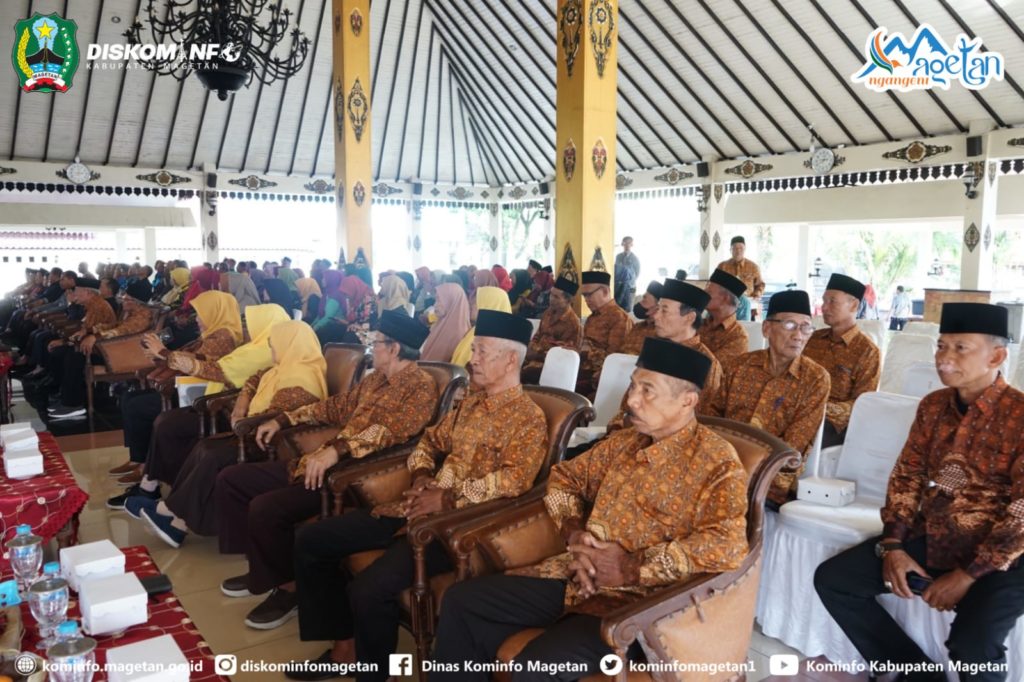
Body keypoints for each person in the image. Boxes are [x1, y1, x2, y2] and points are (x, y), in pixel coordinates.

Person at [431, 337, 748, 680]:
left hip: (639, 602)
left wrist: (629, 567)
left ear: (688, 400)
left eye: (647, 391)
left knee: (534, 666)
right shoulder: (624, 443)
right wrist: (574, 533)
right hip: (573, 574)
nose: (632, 400)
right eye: (633, 386)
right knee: (461, 601)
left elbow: (727, 544)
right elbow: (564, 478)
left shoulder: (716, 462)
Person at [284, 310, 547, 682]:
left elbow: (514, 482)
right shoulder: (470, 403)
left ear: (510, 361)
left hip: (454, 528)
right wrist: (423, 475)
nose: (472, 359)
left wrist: (449, 500)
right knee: (312, 539)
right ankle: (345, 647)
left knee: (368, 590)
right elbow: (429, 442)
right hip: (411, 507)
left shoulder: (528, 418)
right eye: (473, 350)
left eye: (481, 352)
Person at [815, 303, 1023, 682]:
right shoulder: (933, 406)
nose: (944, 357)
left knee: (973, 645)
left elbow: (1021, 513)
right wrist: (894, 546)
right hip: (939, 536)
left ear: (996, 357)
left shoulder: (1019, 415)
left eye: (960, 348)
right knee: (835, 581)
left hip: (1005, 558)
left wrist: (968, 576)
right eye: (941, 346)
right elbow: (907, 475)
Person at [214, 311, 437, 630]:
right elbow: (334, 407)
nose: (373, 348)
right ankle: (265, 571)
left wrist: (338, 449)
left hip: (355, 476)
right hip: (322, 462)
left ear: (395, 348)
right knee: (233, 480)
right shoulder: (376, 379)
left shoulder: (421, 386)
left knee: (266, 508)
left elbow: (390, 432)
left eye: (376, 343)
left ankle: (288, 589)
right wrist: (285, 418)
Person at [126, 321, 328, 548]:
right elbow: (254, 379)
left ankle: (173, 516)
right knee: (204, 447)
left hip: (271, 442)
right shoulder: (282, 368)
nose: (272, 349)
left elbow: (277, 418)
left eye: (275, 344)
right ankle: (174, 517)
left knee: (214, 455)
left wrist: (245, 421)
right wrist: (242, 403)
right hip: (251, 430)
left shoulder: (301, 379)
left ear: (289, 344)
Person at [107, 304, 288, 498]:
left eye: (251, 323)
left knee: (166, 423)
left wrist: (165, 353)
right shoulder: (255, 346)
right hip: (216, 401)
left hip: (225, 410)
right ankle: (152, 482)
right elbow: (223, 368)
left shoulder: (260, 351)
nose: (247, 328)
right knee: (164, 421)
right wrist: (163, 355)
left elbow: (216, 370)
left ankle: (154, 485)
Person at [707, 289, 830, 505]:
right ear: (766, 328)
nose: (798, 335)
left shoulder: (815, 379)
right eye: (790, 325)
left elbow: (793, 444)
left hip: (770, 478)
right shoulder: (740, 366)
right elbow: (712, 419)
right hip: (721, 465)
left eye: (805, 327)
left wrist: (740, 469)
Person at [803, 274, 881, 447]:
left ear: (854, 305)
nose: (824, 307)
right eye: (824, 301)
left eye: (832, 301)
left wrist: (820, 408)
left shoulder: (867, 351)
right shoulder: (814, 339)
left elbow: (862, 403)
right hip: (798, 410)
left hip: (833, 426)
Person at [577, 271, 632, 400]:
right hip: (582, 369)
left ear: (605, 291)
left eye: (589, 295)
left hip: (600, 377)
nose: (586, 300)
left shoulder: (619, 318)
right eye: (584, 296)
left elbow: (614, 359)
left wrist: (584, 352)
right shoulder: (592, 318)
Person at [520, 276, 583, 384]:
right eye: (551, 294)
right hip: (533, 357)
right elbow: (537, 335)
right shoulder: (548, 313)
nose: (551, 299)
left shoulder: (572, 323)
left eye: (556, 297)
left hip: (551, 364)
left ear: (568, 300)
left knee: (525, 372)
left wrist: (536, 353)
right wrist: (531, 347)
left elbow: (564, 354)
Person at [700, 268, 750, 368]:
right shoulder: (699, 323)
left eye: (709, 292)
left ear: (725, 298)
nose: (703, 294)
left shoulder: (739, 337)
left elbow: (710, 368)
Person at [451, 286, 512, 367]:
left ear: (488, 306)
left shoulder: (488, 339)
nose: (470, 305)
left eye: (475, 302)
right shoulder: (476, 330)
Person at [716, 236, 765, 321]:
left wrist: (757, 295)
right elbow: (715, 284)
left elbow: (760, 285)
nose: (738, 251)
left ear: (745, 249)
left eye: (741, 248)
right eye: (735, 248)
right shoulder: (722, 266)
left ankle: (743, 327)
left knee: (744, 303)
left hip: (747, 302)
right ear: (730, 250)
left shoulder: (753, 267)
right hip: (726, 302)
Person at [419, 283, 471, 363]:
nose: (435, 305)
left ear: (450, 301)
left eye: (439, 300)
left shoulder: (455, 333)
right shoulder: (443, 321)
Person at [621, 280, 664, 355]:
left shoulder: (661, 333)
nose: (640, 303)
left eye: (644, 300)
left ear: (657, 307)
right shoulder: (637, 326)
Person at [613, 236, 641, 311]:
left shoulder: (635, 259)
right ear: (622, 244)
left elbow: (637, 273)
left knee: (627, 308)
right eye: (625, 243)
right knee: (617, 307)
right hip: (619, 286)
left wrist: (629, 282)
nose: (627, 245)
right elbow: (616, 270)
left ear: (632, 244)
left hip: (630, 287)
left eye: (629, 243)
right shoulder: (618, 257)